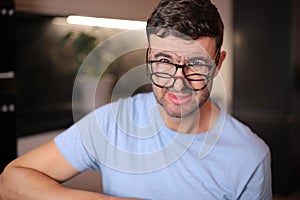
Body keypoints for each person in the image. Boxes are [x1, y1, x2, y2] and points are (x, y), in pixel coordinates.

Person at [0, 0, 272, 199]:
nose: (179, 82)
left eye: (197, 64)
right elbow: (9, 180)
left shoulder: (250, 157)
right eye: (164, 61)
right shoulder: (110, 123)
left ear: (218, 63)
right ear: (148, 58)